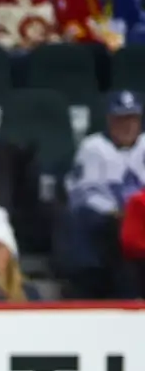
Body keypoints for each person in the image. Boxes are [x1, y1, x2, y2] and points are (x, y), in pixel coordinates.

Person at [61, 90, 145, 288]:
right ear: (110, 120)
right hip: (108, 222)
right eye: (121, 119)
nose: (127, 126)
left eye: (132, 119)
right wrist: (115, 212)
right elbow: (82, 195)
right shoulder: (93, 147)